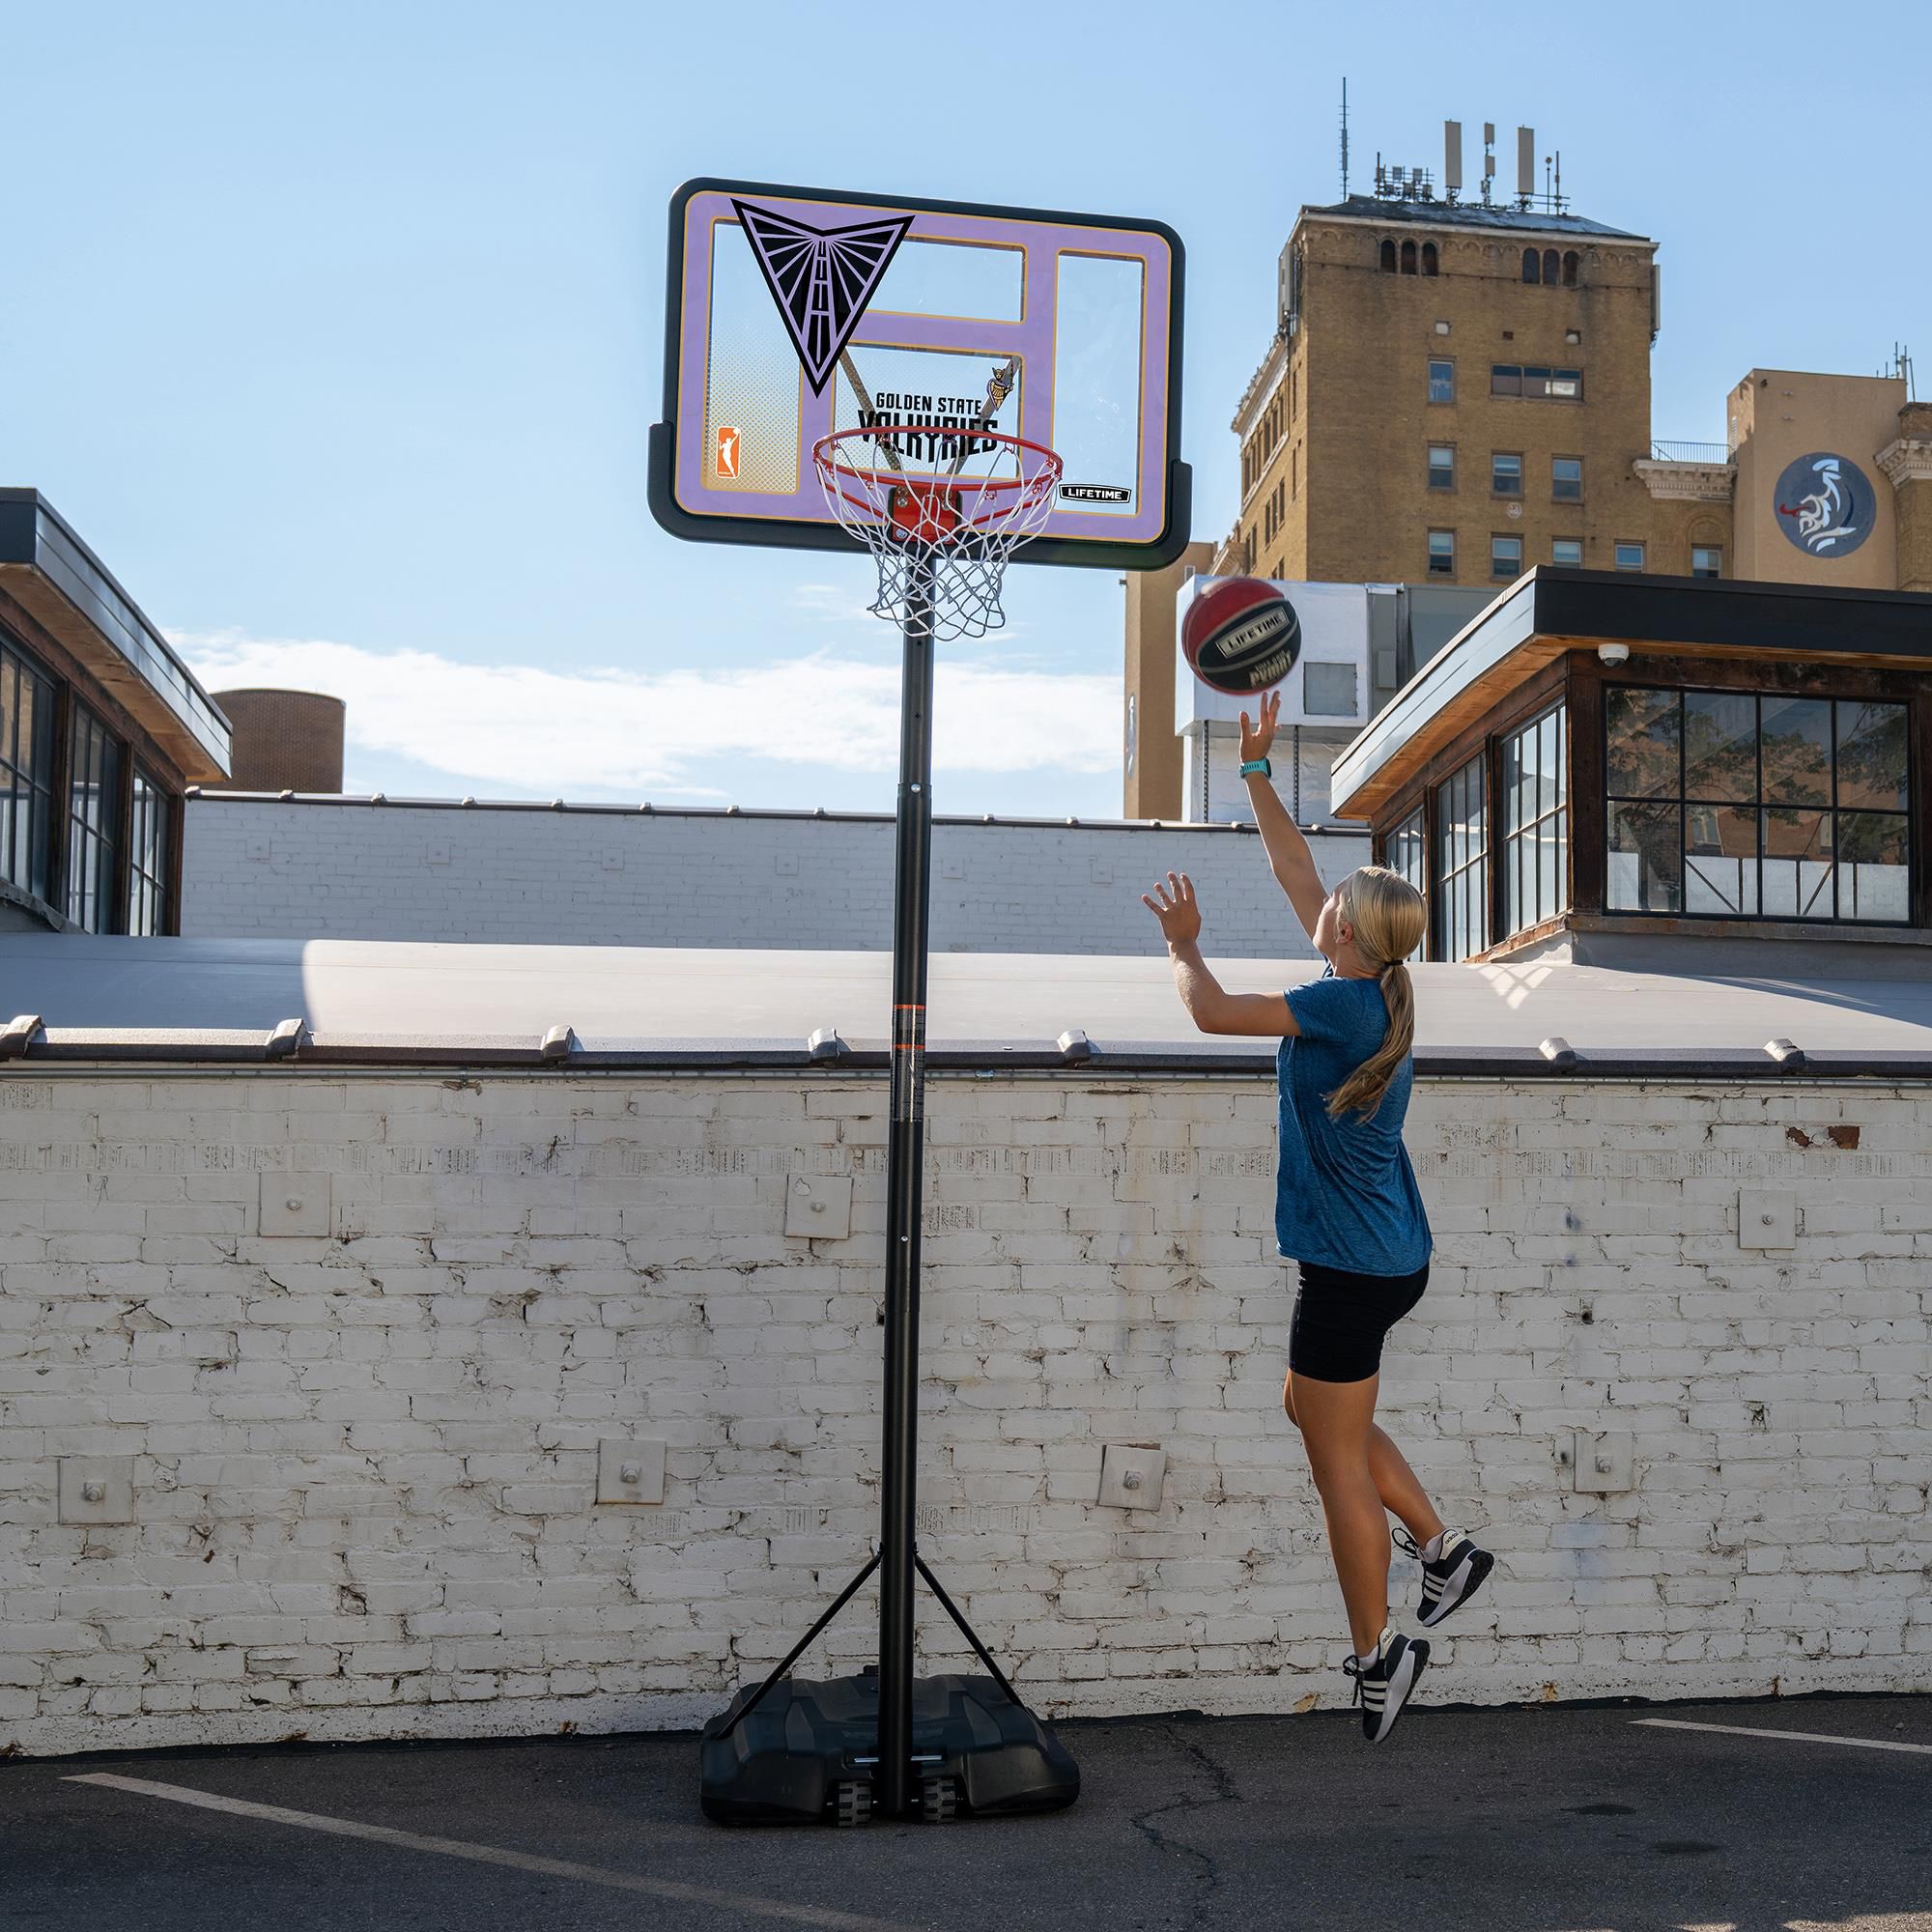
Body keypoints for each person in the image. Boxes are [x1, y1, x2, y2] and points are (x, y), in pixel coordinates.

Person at [1141, 690, 1493, 1744]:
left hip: (1350, 1269)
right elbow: (1298, 868)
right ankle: (1442, 1547)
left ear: (1347, 929)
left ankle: (1378, 1652)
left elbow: (1208, 1012)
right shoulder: (1367, 982)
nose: (1319, 901)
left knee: (1331, 1460)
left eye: (1332, 902)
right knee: (1312, 1411)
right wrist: (1254, 771)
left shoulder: (1340, 1001)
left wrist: (1182, 943)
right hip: (1381, 1258)